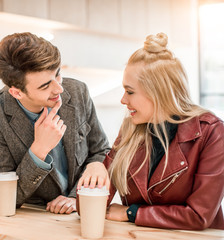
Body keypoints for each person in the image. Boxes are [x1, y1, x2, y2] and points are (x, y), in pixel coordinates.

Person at [78, 33, 224, 230]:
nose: (123, 100)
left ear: (158, 92)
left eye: (129, 91)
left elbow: (199, 216)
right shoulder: (131, 127)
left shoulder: (211, 132)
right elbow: (89, 207)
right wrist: (95, 168)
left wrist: (132, 213)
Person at [0, 32, 111, 214]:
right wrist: (39, 150)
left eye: (58, 74)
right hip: (34, 217)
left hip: (83, 210)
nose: (59, 88)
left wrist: (74, 197)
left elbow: (101, 151)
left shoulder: (78, 91)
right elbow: (9, 198)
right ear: (17, 93)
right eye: (45, 86)